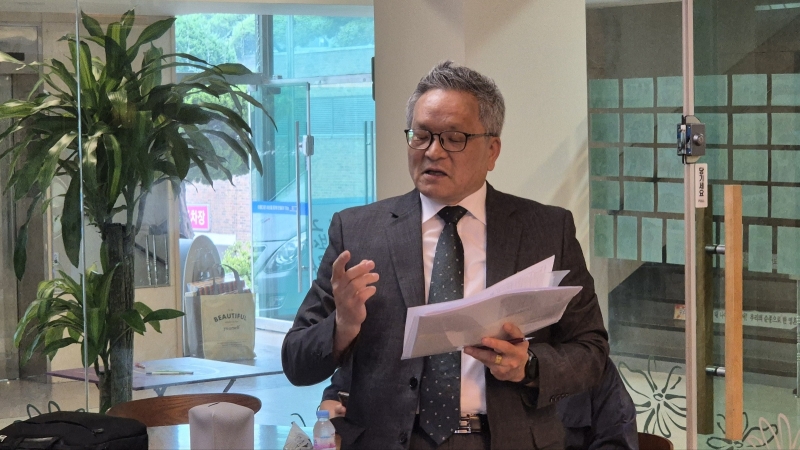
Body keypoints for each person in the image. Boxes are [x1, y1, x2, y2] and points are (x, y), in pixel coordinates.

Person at [281, 61, 609, 450]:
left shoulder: (546, 230)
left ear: (492, 150)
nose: (433, 151)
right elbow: (296, 362)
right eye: (421, 136)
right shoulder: (357, 232)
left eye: (454, 138)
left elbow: (591, 351)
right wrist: (342, 326)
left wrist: (529, 366)